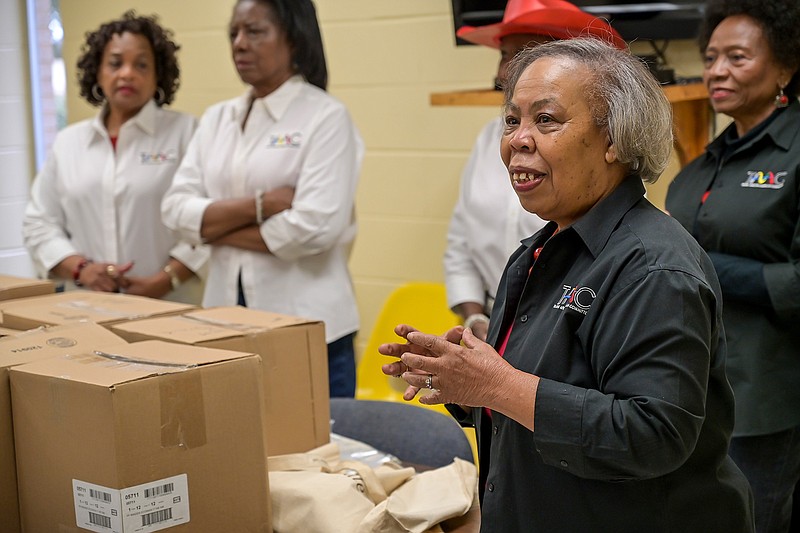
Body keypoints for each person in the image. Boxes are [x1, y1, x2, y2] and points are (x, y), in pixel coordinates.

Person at [380, 38, 754, 532]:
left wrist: (497, 383)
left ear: (614, 140)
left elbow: (653, 435)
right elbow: (543, 395)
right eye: (512, 120)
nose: (518, 139)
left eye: (547, 120)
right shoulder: (540, 249)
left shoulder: (654, 268)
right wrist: (467, 384)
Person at [161, 0, 363, 398]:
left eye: (254, 31)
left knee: (317, 455)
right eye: (234, 33)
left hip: (310, 328)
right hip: (224, 324)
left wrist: (212, 230)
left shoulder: (325, 117)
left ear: (292, 37)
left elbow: (313, 228)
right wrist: (260, 206)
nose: (239, 44)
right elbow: (173, 209)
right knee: (238, 450)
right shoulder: (217, 118)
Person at [664, 1, 800, 531]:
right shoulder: (702, 164)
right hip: (688, 391)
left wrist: (703, 266)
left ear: (786, 66)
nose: (717, 70)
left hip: (765, 397)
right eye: (712, 56)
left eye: (738, 57)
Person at [444, 0, 626, 340]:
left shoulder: (593, 154)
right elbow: (460, 241)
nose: (505, 72)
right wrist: (476, 320)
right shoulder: (489, 139)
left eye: (524, 54)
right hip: (495, 324)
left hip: (567, 327)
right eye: (504, 55)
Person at [22, 11, 206, 304]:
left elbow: (209, 224)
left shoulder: (188, 132)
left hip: (172, 305)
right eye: (115, 63)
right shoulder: (69, 143)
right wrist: (82, 269)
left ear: (159, 74)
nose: (127, 73)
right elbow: (39, 223)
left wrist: (164, 280)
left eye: (142, 64)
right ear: (98, 71)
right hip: (85, 307)